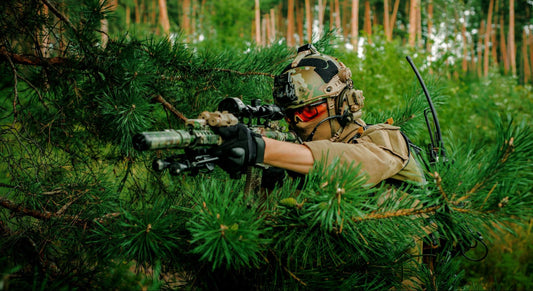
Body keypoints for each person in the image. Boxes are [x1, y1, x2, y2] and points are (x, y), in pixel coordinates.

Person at [213, 44, 425, 187]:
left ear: (342, 104)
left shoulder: (386, 139)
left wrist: (262, 148)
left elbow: (349, 165)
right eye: (289, 116)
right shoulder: (298, 159)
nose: (297, 122)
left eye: (308, 111)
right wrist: (269, 181)